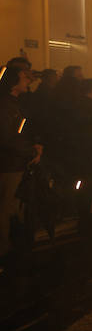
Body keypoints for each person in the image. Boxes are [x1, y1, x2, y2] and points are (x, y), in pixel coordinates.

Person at [0, 63, 42, 258]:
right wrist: (30, 152)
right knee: (7, 208)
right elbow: (8, 136)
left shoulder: (15, 103)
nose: (29, 81)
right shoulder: (6, 106)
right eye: (24, 77)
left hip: (15, 161)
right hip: (9, 164)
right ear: (13, 82)